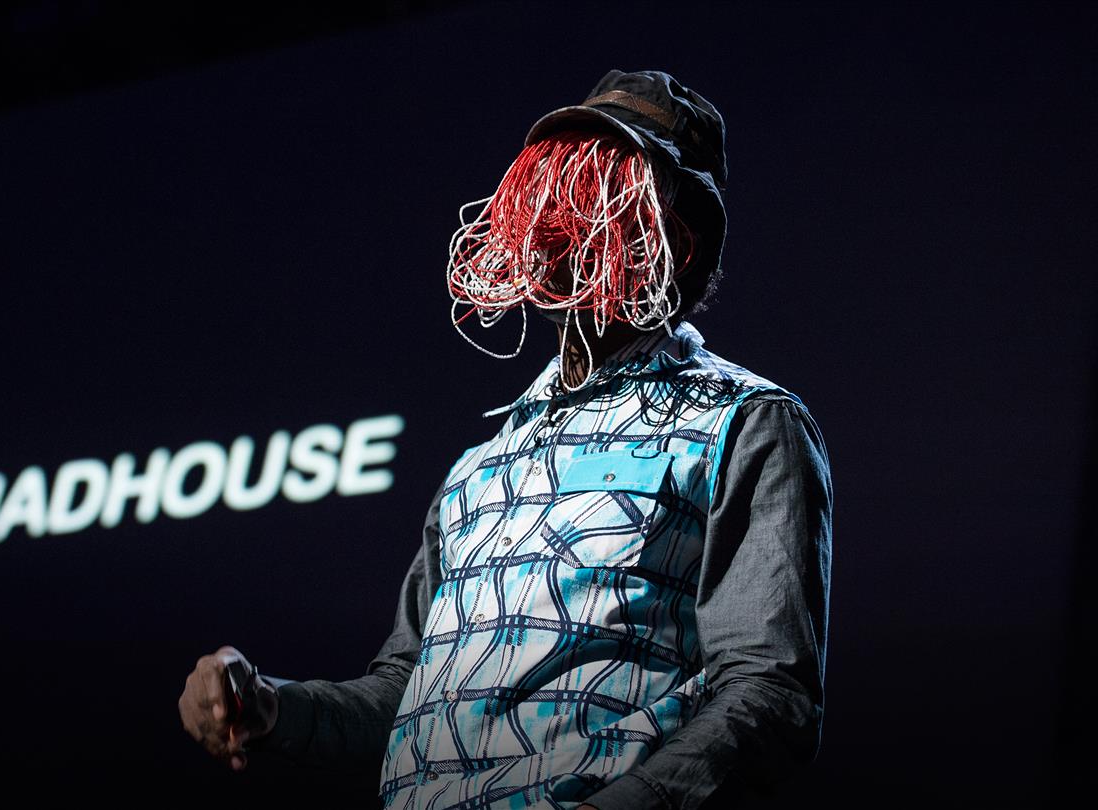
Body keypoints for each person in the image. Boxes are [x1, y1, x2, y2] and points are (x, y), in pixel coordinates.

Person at [178, 69, 833, 809]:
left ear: (676, 242)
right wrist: (270, 706)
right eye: (549, 182)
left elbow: (768, 693)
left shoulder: (743, 423)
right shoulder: (481, 469)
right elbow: (404, 694)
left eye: (594, 190)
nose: (554, 211)